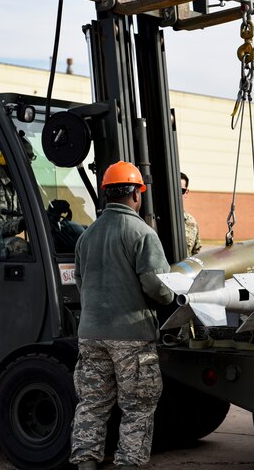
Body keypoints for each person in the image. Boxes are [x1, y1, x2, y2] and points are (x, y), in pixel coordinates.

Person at [69, 161, 174, 470]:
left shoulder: (87, 236)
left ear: (105, 194)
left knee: (92, 404)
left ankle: (85, 464)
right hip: (131, 336)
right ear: (136, 195)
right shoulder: (142, 233)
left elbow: (80, 281)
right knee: (138, 406)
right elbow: (159, 288)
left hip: (90, 335)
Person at [181, 172, 201, 256]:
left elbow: (196, 254)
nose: (177, 194)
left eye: (181, 190)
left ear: (186, 192)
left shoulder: (191, 222)